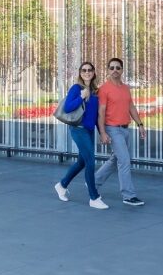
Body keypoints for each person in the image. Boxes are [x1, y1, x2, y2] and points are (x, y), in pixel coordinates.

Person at [54, 62, 108, 210]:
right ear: (80, 73)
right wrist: (82, 97)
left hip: (89, 130)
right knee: (90, 162)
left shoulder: (96, 91)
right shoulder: (76, 88)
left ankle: (62, 185)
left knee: (82, 162)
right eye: (84, 70)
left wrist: (102, 133)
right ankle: (94, 197)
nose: (87, 72)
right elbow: (67, 107)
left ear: (94, 72)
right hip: (78, 129)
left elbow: (96, 115)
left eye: (90, 70)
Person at [96, 57, 147, 207]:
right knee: (124, 161)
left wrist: (140, 124)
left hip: (125, 129)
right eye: (111, 68)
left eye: (118, 68)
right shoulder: (104, 89)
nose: (115, 70)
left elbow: (131, 107)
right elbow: (101, 112)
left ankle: (93, 182)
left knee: (115, 159)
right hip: (112, 129)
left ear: (122, 70)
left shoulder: (125, 88)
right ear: (107, 70)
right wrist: (103, 132)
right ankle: (128, 195)